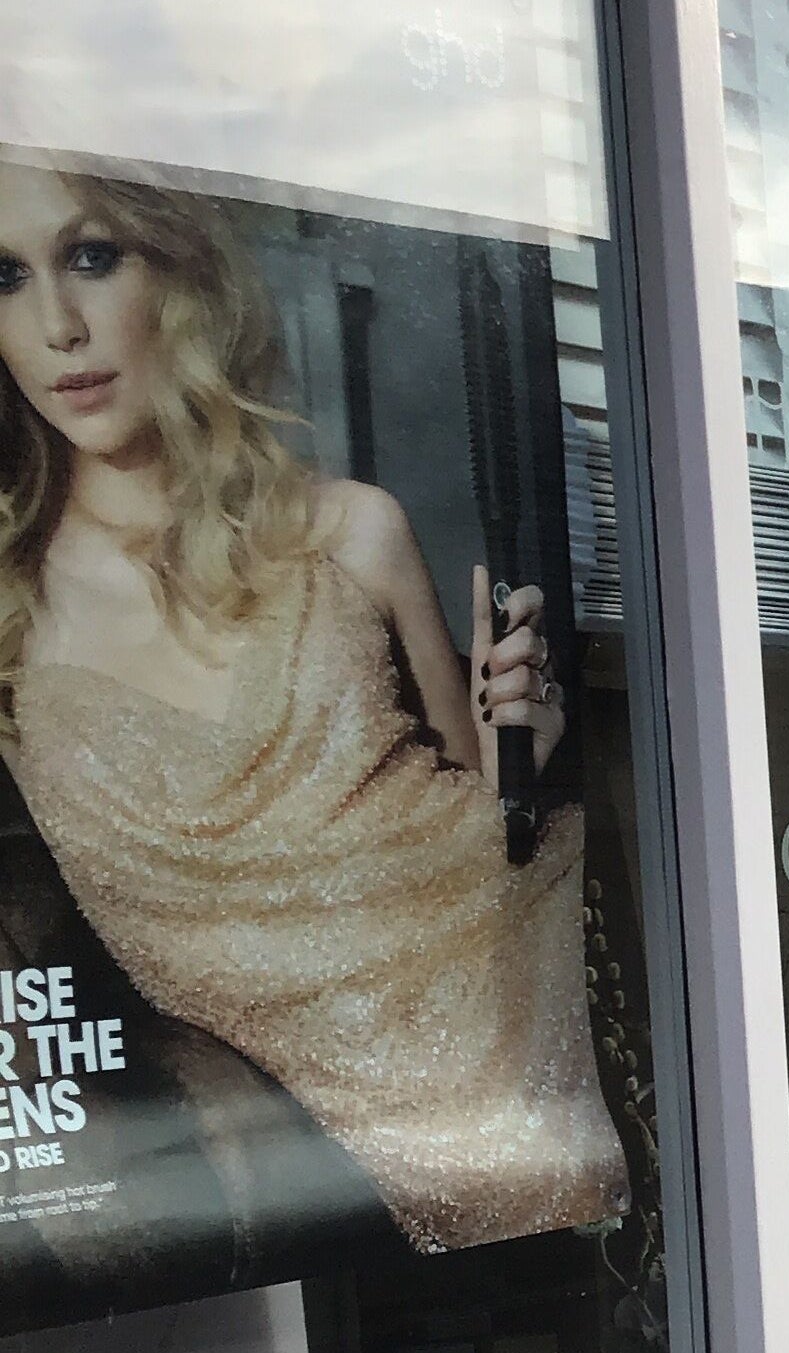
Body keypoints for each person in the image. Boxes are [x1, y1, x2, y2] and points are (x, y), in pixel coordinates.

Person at [0, 160, 628, 1259]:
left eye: (92, 258)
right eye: (4, 279)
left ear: (179, 276)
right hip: (283, 1164)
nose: (58, 324)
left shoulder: (352, 532)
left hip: (514, 1066)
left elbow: (494, 822)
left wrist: (523, 741)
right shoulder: (10, 612)